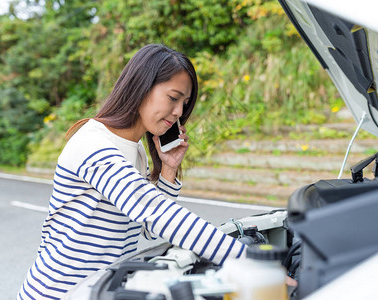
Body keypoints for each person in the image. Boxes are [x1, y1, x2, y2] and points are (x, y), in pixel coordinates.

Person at [17, 44, 246, 300]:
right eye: (173, 98)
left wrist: (169, 169)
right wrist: (245, 259)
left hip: (99, 289)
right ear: (142, 86)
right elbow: (156, 213)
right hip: (58, 292)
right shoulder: (94, 143)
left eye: (185, 103)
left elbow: (148, 228)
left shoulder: (135, 149)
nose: (179, 112)